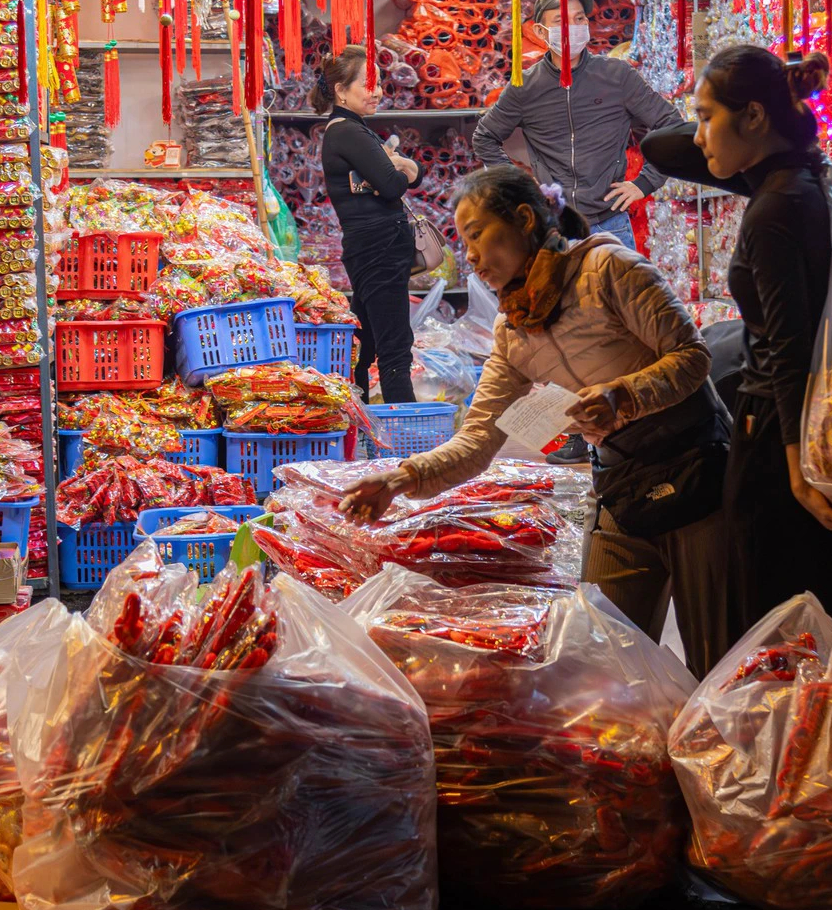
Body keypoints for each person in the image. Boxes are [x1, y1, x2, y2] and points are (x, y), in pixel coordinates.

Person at [338, 165, 731, 675]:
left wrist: (623, 395)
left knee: (718, 659)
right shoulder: (514, 331)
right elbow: (478, 440)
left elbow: (692, 356)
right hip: (621, 483)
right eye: (464, 241)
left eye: (477, 234)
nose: (470, 255)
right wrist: (398, 479)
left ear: (524, 219)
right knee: (604, 658)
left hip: (696, 471)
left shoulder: (609, 268)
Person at [641, 46, 832, 650]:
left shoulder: (775, 208)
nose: (698, 136)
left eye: (706, 117)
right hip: (813, 424)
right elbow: (658, 147)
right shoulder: (798, 177)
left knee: (782, 626)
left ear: (753, 117)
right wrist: (769, 100)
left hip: (780, 438)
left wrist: (799, 473)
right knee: (821, 619)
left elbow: (788, 347)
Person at [472, 0, 678, 242]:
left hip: (611, 226)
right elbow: (484, 137)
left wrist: (644, 183)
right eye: (560, 21)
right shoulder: (525, 86)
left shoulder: (616, 75)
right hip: (555, 230)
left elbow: (671, 124)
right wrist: (519, 187)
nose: (572, 27)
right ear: (540, 31)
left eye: (579, 18)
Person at [312, 46, 421, 404]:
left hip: (372, 247)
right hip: (379, 248)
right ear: (341, 90)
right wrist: (403, 168)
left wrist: (400, 168)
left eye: (378, 83)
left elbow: (396, 177)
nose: (377, 91)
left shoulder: (352, 129)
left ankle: (356, 417)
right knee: (395, 347)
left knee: (365, 343)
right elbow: (391, 185)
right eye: (367, 83)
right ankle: (406, 428)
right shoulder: (348, 132)